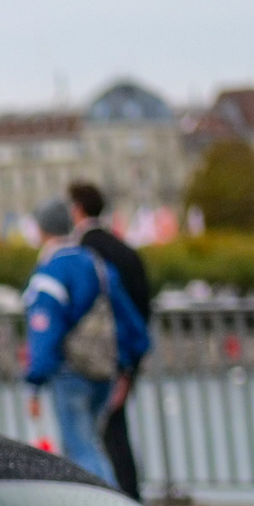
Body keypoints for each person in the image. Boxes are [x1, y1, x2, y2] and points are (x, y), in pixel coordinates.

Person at [21, 197, 147, 487]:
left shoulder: (51, 270)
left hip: (70, 370)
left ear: (42, 230)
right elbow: (130, 323)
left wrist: (34, 383)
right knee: (94, 445)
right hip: (104, 369)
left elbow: (44, 328)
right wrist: (126, 367)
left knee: (80, 449)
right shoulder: (96, 264)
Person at [66, 182, 154, 500]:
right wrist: (131, 360)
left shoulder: (82, 254)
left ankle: (112, 504)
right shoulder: (125, 249)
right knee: (116, 431)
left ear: (76, 209)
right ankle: (130, 497)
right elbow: (143, 306)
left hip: (94, 357)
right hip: (126, 353)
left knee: (91, 436)